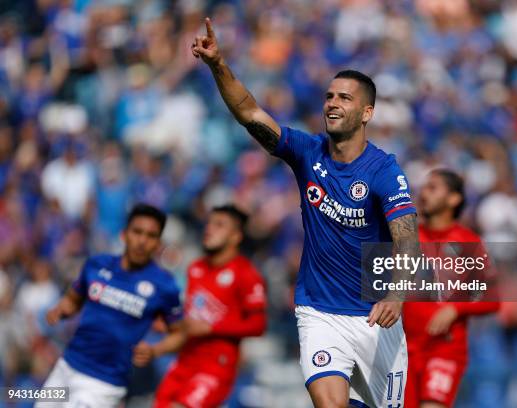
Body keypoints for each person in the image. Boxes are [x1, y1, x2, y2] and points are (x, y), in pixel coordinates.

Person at [191, 18, 420, 408]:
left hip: (375, 318)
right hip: (319, 312)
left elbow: (407, 237)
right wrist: (218, 65)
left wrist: (397, 294)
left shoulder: (383, 170)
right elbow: (250, 113)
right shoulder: (306, 152)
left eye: (345, 98)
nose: (332, 103)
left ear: (366, 113)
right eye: (330, 96)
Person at [37, 203, 182, 408]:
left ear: (158, 244)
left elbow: (180, 333)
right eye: (137, 232)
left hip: (103, 384)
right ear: (124, 234)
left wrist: (156, 350)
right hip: (67, 366)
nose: (142, 241)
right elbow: (73, 298)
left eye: (151, 236)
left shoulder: (164, 285)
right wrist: (62, 309)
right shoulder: (96, 265)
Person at [132, 205, 267, 408]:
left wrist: (212, 328)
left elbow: (258, 324)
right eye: (209, 223)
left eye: (219, 225)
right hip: (185, 361)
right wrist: (158, 346)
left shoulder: (246, 274)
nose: (209, 229)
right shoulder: (196, 268)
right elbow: (189, 323)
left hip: (216, 367)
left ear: (235, 236)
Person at [403, 169, 500, 408]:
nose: (423, 193)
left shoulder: (468, 243)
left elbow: (492, 298)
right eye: (424, 187)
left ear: (453, 198)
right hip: (402, 352)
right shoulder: (407, 239)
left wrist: (455, 309)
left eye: (433, 188)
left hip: (443, 349)